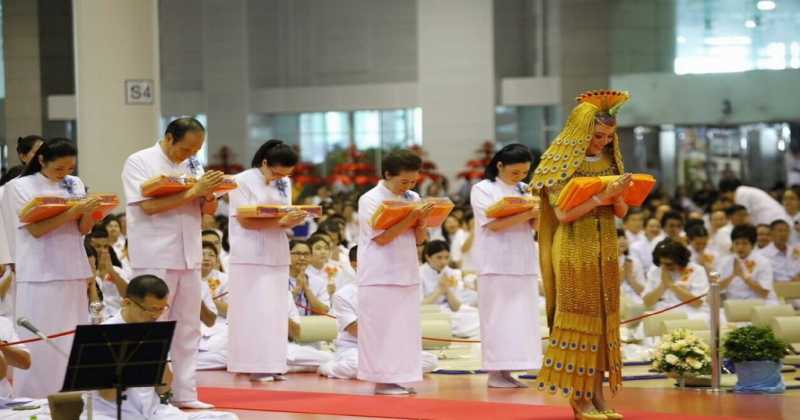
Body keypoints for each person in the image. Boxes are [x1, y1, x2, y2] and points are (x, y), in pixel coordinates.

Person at [532, 90, 633, 418]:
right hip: (574, 247)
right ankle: (579, 397)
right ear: (581, 132)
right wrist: (603, 195)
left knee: (604, 319)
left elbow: (622, 212)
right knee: (579, 318)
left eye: (608, 136)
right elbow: (562, 214)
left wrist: (618, 195)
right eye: (598, 135)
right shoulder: (560, 160)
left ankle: (598, 395)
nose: (603, 142)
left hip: (606, 249)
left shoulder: (610, 159)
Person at [121, 117, 224, 409]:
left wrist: (210, 194)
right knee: (152, 326)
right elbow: (149, 206)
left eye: (197, 149)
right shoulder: (139, 161)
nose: (192, 154)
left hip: (188, 253)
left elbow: (207, 210)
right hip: (154, 254)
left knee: (188, 327)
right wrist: (194, 190)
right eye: (187, 148)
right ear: (169, 138)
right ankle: (145, 394)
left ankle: (185, 392)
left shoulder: (193, 165)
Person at [10, 138, 101, 398]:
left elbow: (83, 230)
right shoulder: (20, 186)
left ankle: (75, 396)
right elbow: (36, 229)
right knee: (41, 339)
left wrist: (89, 212)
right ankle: (34, 397)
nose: (66, 174)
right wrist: (75, 211)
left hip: (73, 267)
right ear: (41, 161)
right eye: (59, 168)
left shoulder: (75, 184)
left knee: (73, 337)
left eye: (70, 168)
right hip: (39, 272)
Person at [86, 275, 237, 420]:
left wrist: (157, 353)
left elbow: (164, 389)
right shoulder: (105, 334)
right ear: (127, 303)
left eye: (161, 309)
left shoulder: (153, 331)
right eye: (151, 309)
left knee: (228, 418)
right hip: (113, 414)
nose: (155, 316)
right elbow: (109, 395)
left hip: (154, 412)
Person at [226, 139, 306, 382]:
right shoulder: (240, 181)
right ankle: (252, 364)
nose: (279, 178)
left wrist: (294, 219)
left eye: (285, 174)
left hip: (277, 251)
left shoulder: (284, 182)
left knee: (275, 311)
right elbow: (245, 220)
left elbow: (285, 214)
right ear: (264, 163)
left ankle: (273, 363)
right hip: (248, 253)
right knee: (253, 310)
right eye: (275, 172)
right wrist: (282, 222)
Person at [356, 149, 433, 395]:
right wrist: (412, 215)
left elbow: (421, 240)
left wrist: (421, 221)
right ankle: (382, 380)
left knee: (404, 330)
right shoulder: (370, 199)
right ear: (388, 174)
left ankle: (398, 377)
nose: (409, 186)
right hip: (379, 274)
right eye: (403, 181)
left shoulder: (413, 197)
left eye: (413, 181)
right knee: (382, 329)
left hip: (406, 271)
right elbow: (382, 238)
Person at [470, 144, 541, 389]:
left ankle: (509, 370)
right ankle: (495, 372)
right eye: (515, 173)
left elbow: (536, 226)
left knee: (521, 319)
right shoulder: (483, 189)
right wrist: (529, 210)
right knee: (497, 319)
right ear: (499, 165)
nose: (520, 178)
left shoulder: (525, 189)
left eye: (524, 173)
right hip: (495, 263)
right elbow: (493, 224)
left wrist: (540, 210)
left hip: (523, 260)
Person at [320, 247, 437, 379]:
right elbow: (354, 330)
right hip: (355, 348)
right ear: (355, 264)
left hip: (387, 347)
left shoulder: (390, 290)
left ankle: (381, 370)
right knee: (355, 365)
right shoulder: (343, 295)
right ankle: (329, 367)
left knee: (430, 360)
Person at [419, 240, 480, 337]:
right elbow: (420, 306)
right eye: (439, 257)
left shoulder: (449, 272)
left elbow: (456, 306)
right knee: (472, 324)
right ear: (428, 257)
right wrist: (439, 290)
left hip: (449, 310)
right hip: (430, 314)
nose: (443, 262)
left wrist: (447, 290)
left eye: (446, 258)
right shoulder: (419, 274)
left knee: (478, 315)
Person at [642, 239, 710, 320]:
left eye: (669, 264)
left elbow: (697, 303)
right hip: (663, 313)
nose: (664, 267)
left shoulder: (697, 270)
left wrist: (671, 285)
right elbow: (647, 302)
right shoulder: (655, 271)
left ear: (680, 260)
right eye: (661, 263)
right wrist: (663, 286)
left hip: (690, 313)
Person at [715, 225, 776, 303]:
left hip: (759, 304)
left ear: (753, 245)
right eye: (737, 243)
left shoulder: (763, 262)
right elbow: (716, 288)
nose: (740, 247)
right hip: (733, 305)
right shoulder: (724, 261)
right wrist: (733, 275)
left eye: (744, 243)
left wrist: (744, 276)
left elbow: (764, 293)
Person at [87, 225, 130, 319]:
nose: (102, 250)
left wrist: (112, 272)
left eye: (105, 246)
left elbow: (129, 295)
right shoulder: (86, 275)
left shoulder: (117, 270)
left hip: (117, 317)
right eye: (97, 246)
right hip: (95, 319)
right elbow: (94, 311)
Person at [719, 179, 791, 227]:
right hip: (772, 217)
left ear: (727, 192)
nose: (727, 200)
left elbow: (743, 217)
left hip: (773, 218)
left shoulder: (740, 193)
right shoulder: (744, 191)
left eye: (725, 196)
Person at [290, 239, 330, 316]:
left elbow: (324, 311)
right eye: (297, 253)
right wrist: (297, 290)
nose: (302, 258)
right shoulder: (278, 280)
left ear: (311, 257)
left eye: (306, 254)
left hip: (310, 326)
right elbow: (275, 308)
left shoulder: (319, 282)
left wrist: (307, 290)